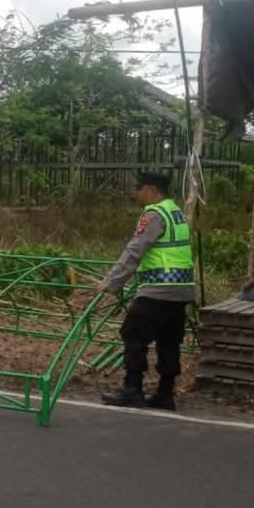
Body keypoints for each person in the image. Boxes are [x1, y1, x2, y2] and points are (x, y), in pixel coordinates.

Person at [97, 172, 194, 411]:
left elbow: (134, 251)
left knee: (133, 334)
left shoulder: (154, 214)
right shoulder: (176, 212)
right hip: (181, 290)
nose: (135, 193)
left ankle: (132, 389)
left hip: (158, 289)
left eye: (138, 188)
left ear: (151, 190)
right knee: (169, 341)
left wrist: (111, 283)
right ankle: (165, 393)